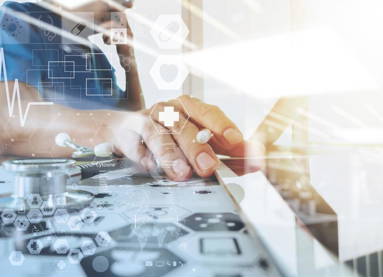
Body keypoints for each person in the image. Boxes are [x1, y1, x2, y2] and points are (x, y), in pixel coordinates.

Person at [0, 0, 249, 181]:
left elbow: (131, 124)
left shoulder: (94, 55)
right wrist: (111, 126)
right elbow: (11, 118)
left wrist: (127, 59)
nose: (128, 4)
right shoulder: (20, 17)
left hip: (107, 188)